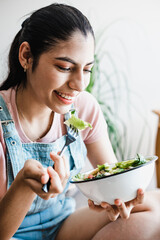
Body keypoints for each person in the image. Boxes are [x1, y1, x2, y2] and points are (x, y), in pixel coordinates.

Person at [0, 3, 159, 240]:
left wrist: (114, 200)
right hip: (11, 231)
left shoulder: (83, 107)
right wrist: (24, 184)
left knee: (154, 205)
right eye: (65, 67)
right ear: (27, 56)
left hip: (63, 223)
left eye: (87, 69)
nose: (79, 84)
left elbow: (111, 178)